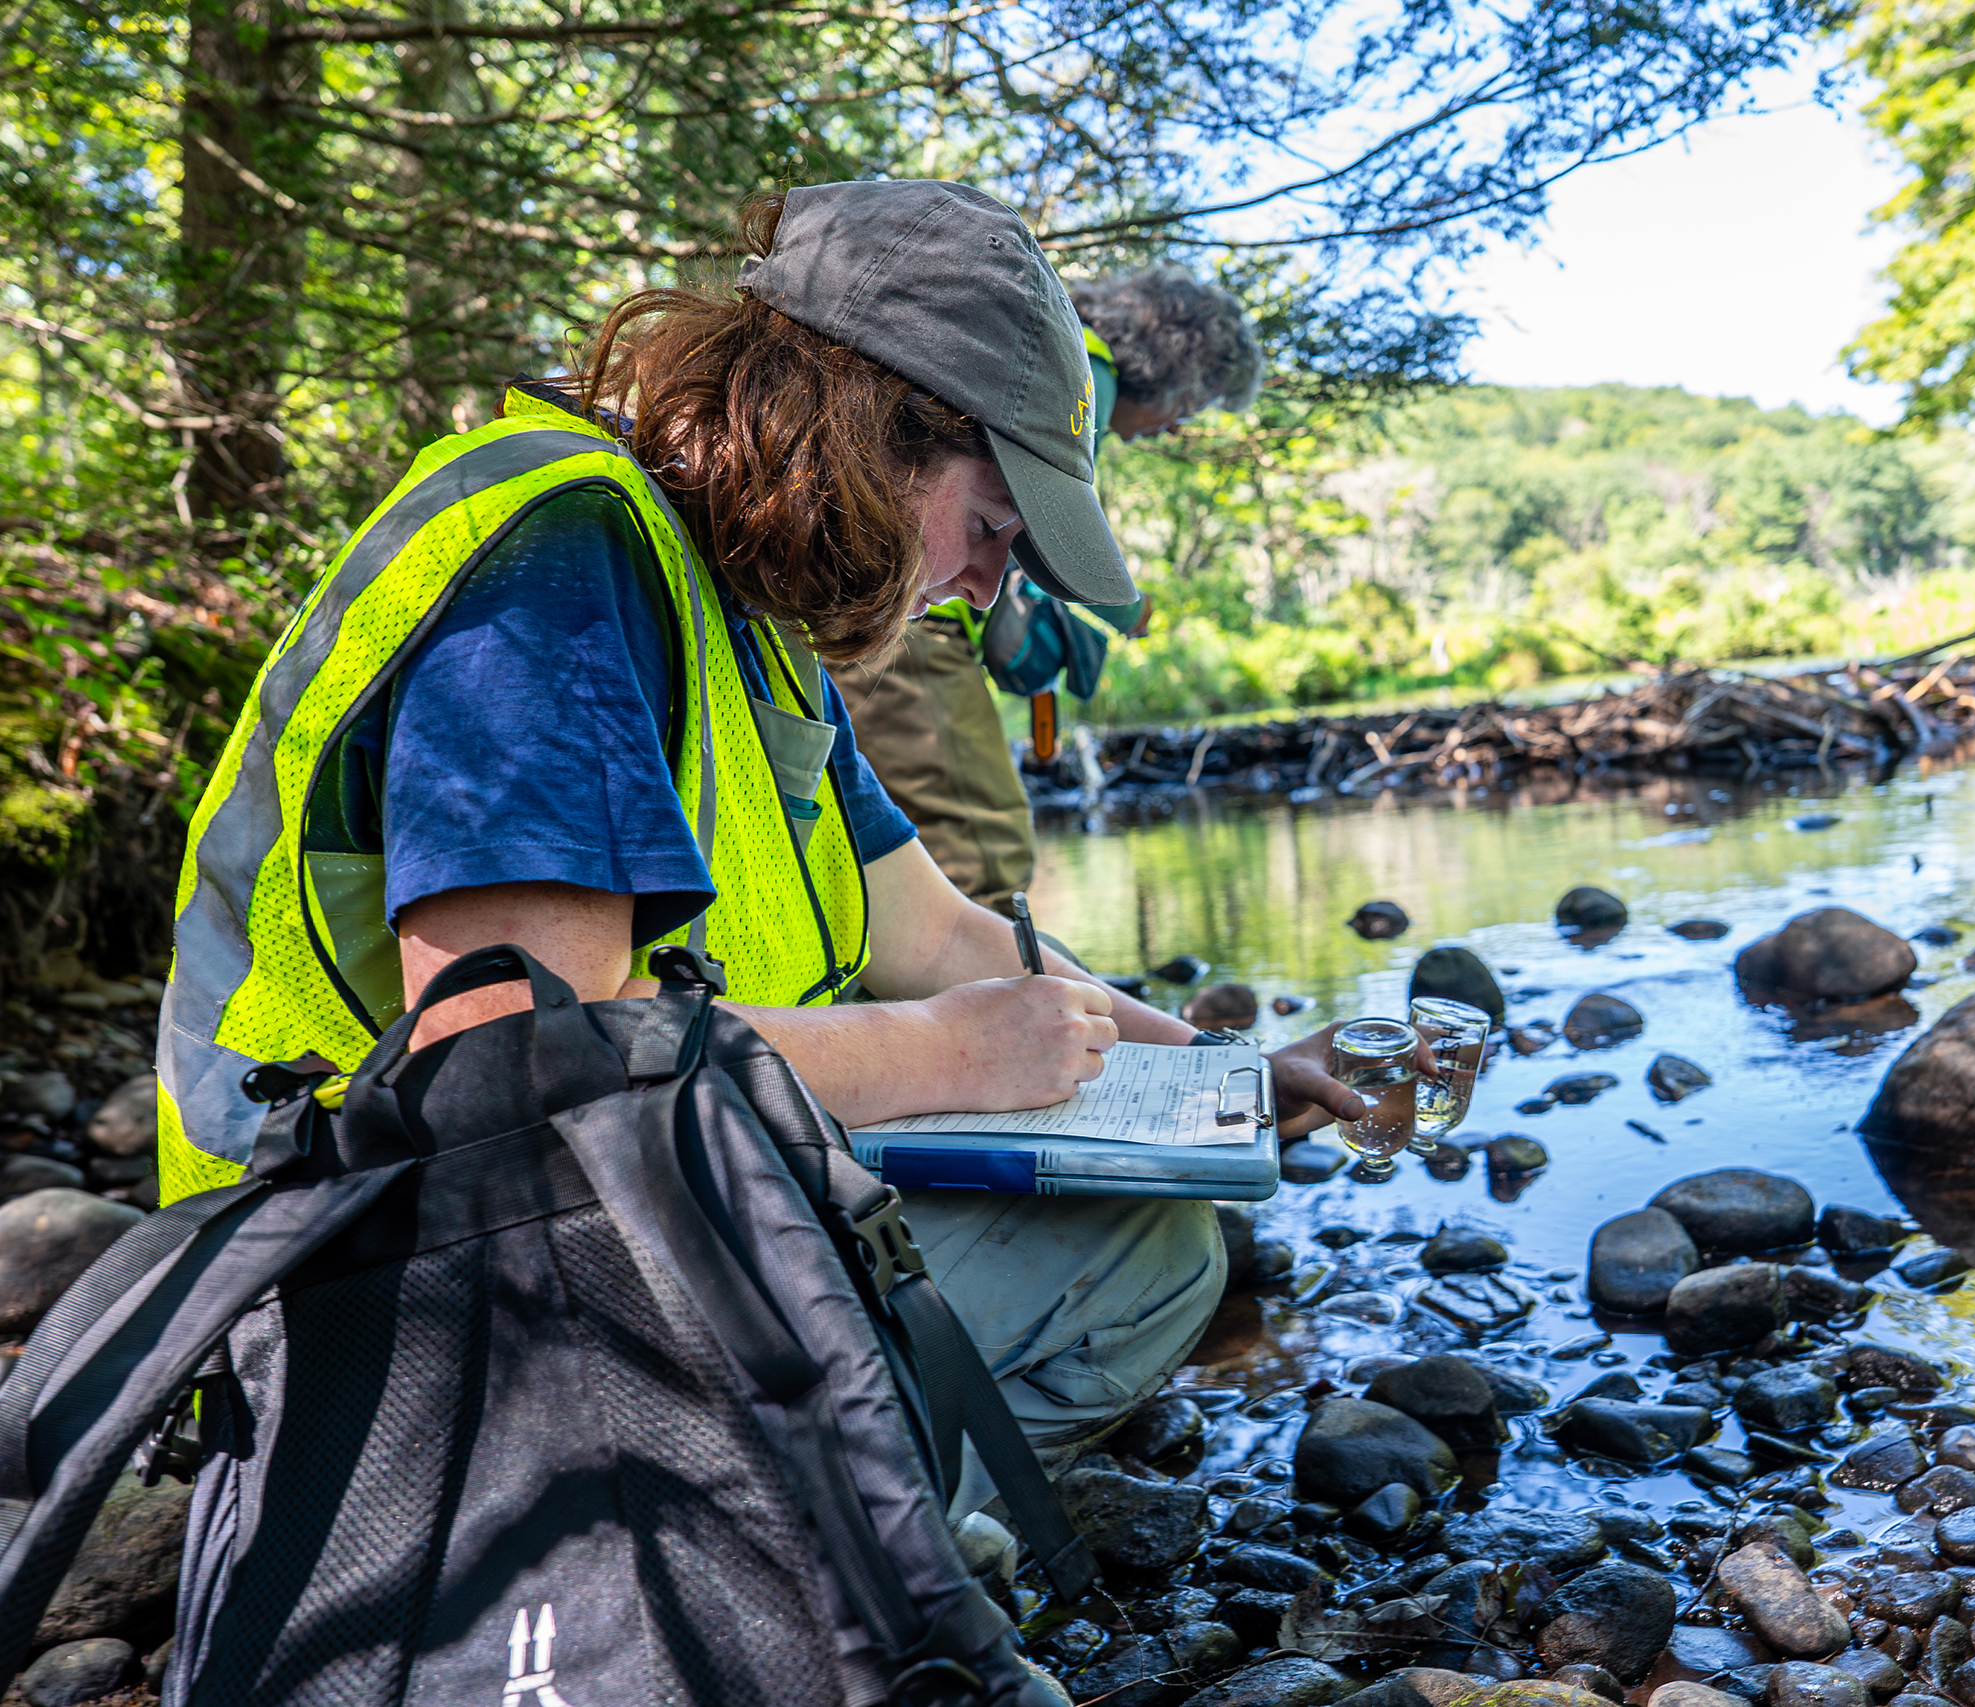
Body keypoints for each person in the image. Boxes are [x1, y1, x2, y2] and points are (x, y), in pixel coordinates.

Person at [156, 180, 1358, 1475]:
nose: (988, 583)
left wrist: (1221, 1067)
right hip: (356, 1276)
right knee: (1131, 1259)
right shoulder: (562, 552)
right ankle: (719, 1586)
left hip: (544, 1212)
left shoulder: (759, 636)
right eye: (994, 525)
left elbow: (939, 929)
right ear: (873, 428)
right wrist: (939, 1054)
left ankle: (809, 1558)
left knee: (1153, 1237)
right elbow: (507, 1056)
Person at [833, 267, 1264, 908]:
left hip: (888, 602)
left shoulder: (1051, 349)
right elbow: (1059, 531)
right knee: (985, 855)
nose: (1177, 427)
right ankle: (984, 1001)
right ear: (1178, 364)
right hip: (913, 620)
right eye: (1191, 406)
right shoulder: (1090, 377)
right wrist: (1130, 612)